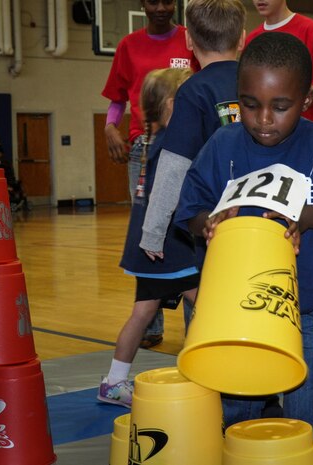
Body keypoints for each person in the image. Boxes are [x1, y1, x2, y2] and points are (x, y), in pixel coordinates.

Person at [174, 32, 313, 465]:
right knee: (237, 409)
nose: (263, 119)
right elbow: (190, 209)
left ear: (306, 99)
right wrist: (208, 224)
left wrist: (309, 216)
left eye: (280, 106)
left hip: (307, 303)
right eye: (249, 104)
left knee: (307, 414)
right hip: (232, 305)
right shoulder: (223, 145)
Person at [139, 0, 246, 328]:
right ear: (242, 38)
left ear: (188, 41)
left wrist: (153, 231)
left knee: (212, 305)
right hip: (264, 213)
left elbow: (173, 165)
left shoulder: (193, 90)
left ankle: (211, 365)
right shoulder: (262, 79)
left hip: (213, 220)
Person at [101, 0, 198, 350]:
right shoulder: (129, 45)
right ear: (141, 4)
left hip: (186, 143)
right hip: (143, 145)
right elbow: (116, 98)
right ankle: (151, 323)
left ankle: (196, 331)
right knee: (148, 219)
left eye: (167, 1)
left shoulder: (191, 40)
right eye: (153, 1)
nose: (161, 7)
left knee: (185, 233)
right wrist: (110, 127)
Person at [97, 67, 196, 408]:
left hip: (148, 248)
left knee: (142, 314)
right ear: (171, 105)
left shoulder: (149, 141)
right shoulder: (173, 143)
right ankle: (204, 374)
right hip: (168, 248)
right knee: (208, 304)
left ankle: (114, 382)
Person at [245, 0, 313, 126]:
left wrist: (284, 91)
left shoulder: (311, 30)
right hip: (264, 132)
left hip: (305, 132)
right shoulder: (252, 39)